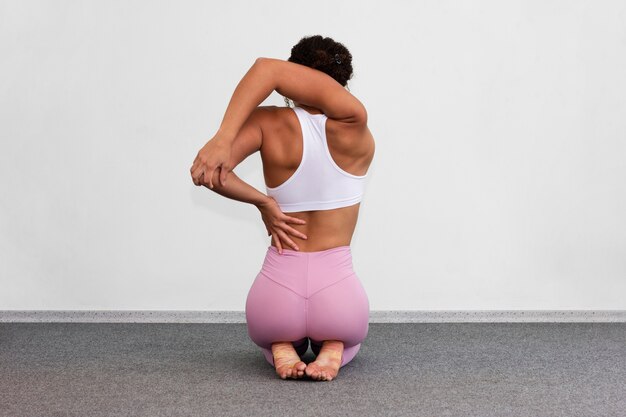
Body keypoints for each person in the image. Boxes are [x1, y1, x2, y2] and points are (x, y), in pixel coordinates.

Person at [190, 35, 375, 381]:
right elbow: (269, 70)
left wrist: (262, 200)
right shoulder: (355, 124)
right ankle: (335, 347)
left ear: (293, 80)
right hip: (339, 299)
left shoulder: (267, 123)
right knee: (349, 338)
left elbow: (208, 173)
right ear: (344, 83)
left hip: (276, 297)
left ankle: (279, 345)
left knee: (270, 333)